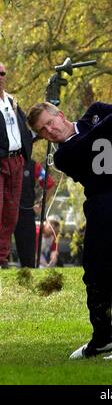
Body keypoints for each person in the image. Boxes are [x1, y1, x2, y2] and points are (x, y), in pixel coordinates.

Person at [27, 92, 112, 361]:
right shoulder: (63, 156)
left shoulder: (97, 111)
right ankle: (103, 338)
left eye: (50, 122)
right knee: (97, 274)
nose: (49, 130)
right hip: (103, 204)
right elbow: (96, 139)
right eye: (43, 131)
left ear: (60, 115)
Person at [0, 62, 33, 269]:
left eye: (3, 72)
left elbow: (23, 126)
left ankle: (1, 258)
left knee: (11, 213)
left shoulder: (12, 100)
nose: (0, 76)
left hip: (16, 161)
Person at [14, 159, 55, 268]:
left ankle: (28, 274)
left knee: (28, 256)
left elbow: (50, 184)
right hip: (5, 211)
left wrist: (41, 204)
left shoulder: (33, 166)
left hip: (25, 213)